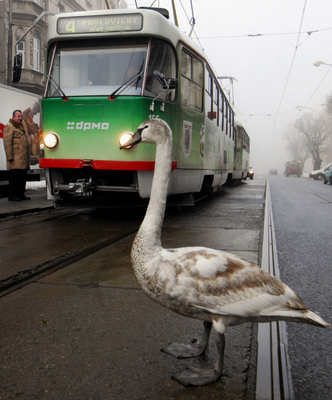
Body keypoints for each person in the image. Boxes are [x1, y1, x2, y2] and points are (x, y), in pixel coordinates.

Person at [3, 110, 31, 201]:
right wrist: (9, 157)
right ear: (13, 117)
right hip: (15, 158)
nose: (20, 118)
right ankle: (12, 195)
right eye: (18, 116)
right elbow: (7, 143)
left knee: (22, 177)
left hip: (23, 158)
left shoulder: (21, 127)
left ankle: (20, 193)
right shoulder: (9, 126)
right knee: (14, 178)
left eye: (21, 117)